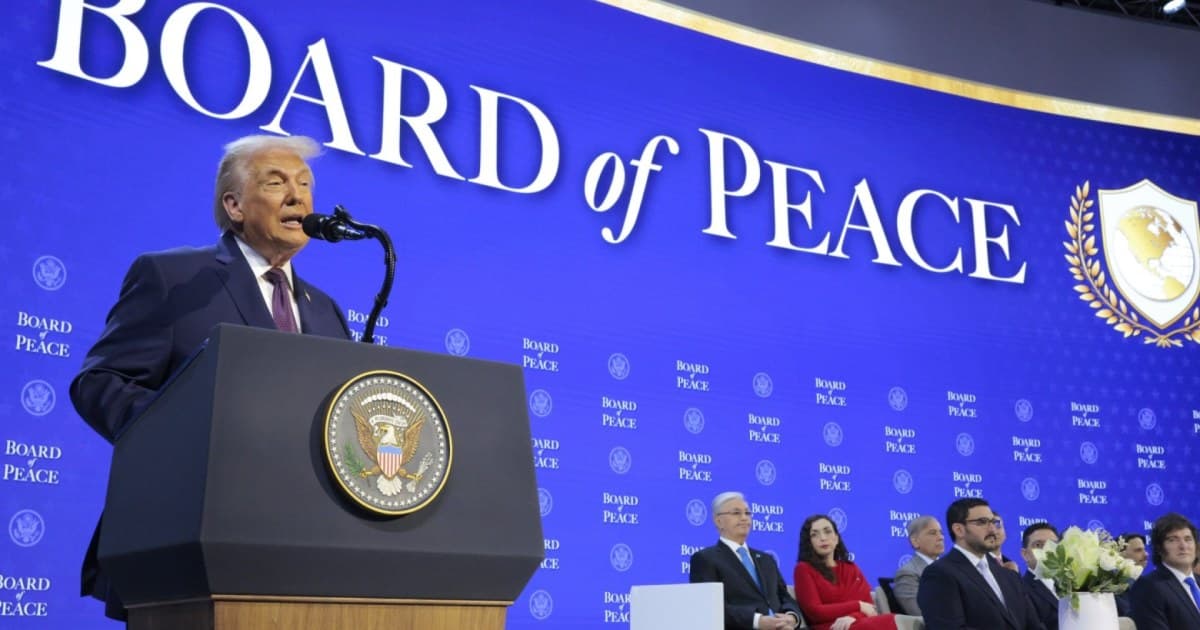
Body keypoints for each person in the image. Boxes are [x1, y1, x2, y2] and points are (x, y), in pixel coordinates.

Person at [71, 135, 352, 620]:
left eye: (305, 184)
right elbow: (101, 382)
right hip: (188, 545)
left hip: (307, 552)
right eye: (276, 183)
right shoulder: (175, 277)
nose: (297, 197)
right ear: (234, 205)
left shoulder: (326, 311)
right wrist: (190, 437)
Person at [917, 498, 1045, 630]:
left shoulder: (1010, 576)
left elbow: (1034, 626)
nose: (993, 530)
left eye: (993, 522)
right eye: (982, 522)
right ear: (959, 530)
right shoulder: (939, 574)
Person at [689, 492, 803, 629]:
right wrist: (757, 621)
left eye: (747, 513)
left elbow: (784, 596)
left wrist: (792, 616)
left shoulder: (766, 559)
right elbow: (711, 607)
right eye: (736, 513)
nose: (744, 518)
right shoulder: (705, 559)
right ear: (718, 521)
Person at [792, 514, 897, 630]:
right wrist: (857, 605)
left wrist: (853, 617)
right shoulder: (803, 569)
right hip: (831, 627)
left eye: (827, 532)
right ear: (809, 542)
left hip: (856, 623)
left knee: (894, 619)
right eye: (814, 534)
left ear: (836, 538)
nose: (823, 538)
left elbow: (869, 608)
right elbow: (815, 612)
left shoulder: (851, 568)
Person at [1129, 513, 1200, 630]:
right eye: (1173, 540)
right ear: (1159, 548)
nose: (1183, 546)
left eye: (1188, 539)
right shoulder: (1148, 587)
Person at [892, 515, 944, 616]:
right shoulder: (907, 573)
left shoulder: (950, 568)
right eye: (932, 533)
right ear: (915, 541)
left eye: (941, 533)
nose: (941, 537)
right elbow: (919, 612)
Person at [1019, 522, 1060, 630]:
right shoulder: (1021, 590)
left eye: (1052, 544)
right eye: (1038, 545)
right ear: (1025, 554)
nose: (1047, 550)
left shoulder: (1072, 584)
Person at [1115, 532, 1148, 617]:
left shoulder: (1148, 584)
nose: (1146, 554)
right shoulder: (1113, 588)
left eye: (1144, 549)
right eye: (1138, 550)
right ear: (1120, 555)